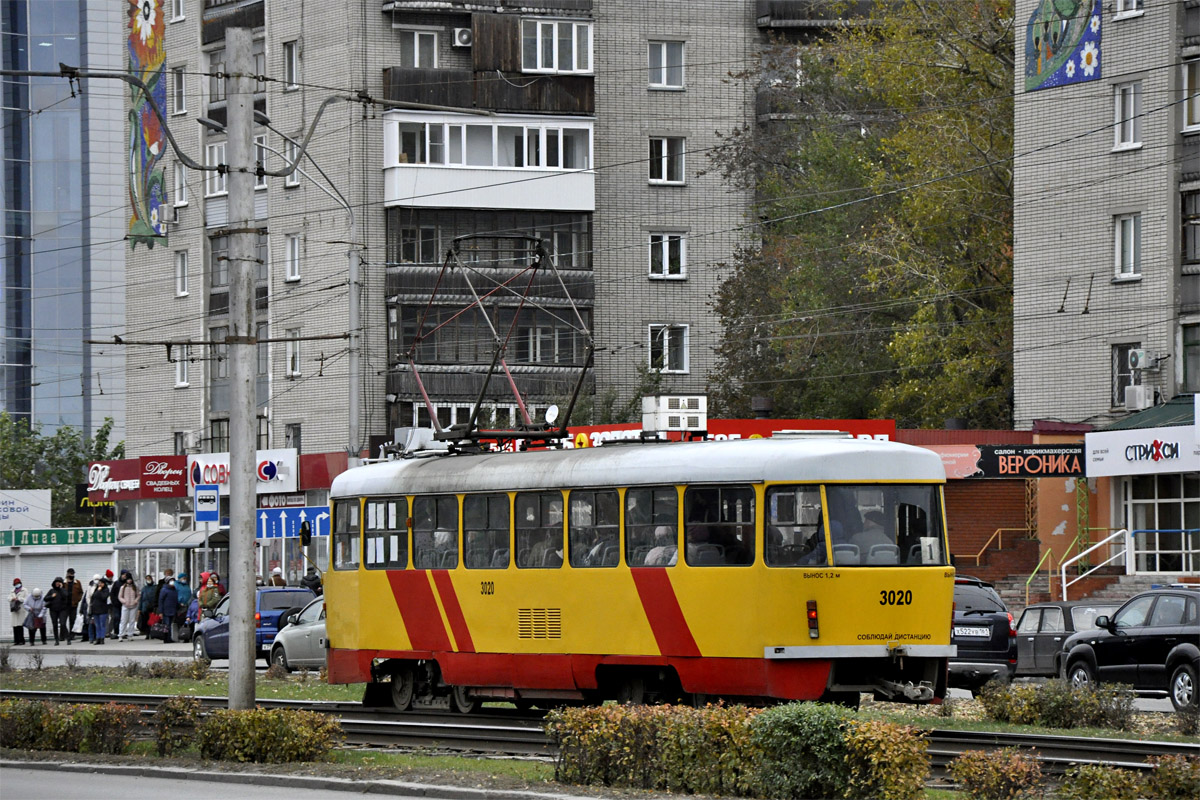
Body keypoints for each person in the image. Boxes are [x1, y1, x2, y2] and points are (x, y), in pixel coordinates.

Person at [44, 578, 70, 645]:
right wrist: (51, 596)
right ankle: (56, 640)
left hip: (62, 610)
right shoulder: (51, 591)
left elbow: (65, 596)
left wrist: (61, 589)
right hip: (53, 610)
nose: (57, 583)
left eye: (59, 582)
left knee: (63, 624)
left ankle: (68, 638)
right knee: (55, 625)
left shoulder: (63, 590)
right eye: (56, 582)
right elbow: (45, 598)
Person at [157, 576, 179, 643]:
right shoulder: (164, 590)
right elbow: (160, 600)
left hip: (173, 609)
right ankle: (166, 638)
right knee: (167, 625)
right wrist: (160, 612)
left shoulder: (174, 589)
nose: (172, 582)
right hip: (166, 610)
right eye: (171, 581)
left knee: (170, 625)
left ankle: (169, 638)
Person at [88, 576, 110, 644]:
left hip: (103, 610)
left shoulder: (106, 590)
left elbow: (104, 597)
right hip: (95, 609)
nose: (100, 584)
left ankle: (102, 638)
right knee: (97, 625)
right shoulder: (96, 589)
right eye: (99, 583)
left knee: (102, 624)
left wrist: (100, 591)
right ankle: (98, 638)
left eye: (101, 583)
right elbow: (93, 597)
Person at [117, 574, 140, 640]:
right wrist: (124, 601)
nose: (129, 581)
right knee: (123, 620)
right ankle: (121, 635)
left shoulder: (135, 587)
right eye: (128, 579)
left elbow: (138, 595)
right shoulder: (123, 587)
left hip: (133, 606)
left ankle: (130, 635)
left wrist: (135, 601)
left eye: (130, 579)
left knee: (132, 621)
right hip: (125, 606)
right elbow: (120, 596)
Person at [63, 569, 83, 643]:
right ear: (67, 574)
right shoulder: (63, 582)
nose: (71, 575)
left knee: (72, 620)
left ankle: (72, 635)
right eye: (70, 574)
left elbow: (81, 592)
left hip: (73, 605)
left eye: (73, 574)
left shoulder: (77, 582)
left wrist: (78, 600)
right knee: (63, 621)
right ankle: (65, 635)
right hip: (64, 606)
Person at [138, 574, 158, 638]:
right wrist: (139, 608)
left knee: (152, 620)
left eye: (149, 578)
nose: (148, 580)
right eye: (147, 579)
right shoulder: (144, 588)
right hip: (145, 607)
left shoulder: (155, 587)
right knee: (146, 621)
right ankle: (147, 633)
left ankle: (152, 633)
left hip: (152, 606)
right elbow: (141, 599)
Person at [173, 573, 192, 642]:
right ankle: (180, 635)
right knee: (180, 620)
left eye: (185, 578)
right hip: (179, 606)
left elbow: (189, 594)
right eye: (183, 578)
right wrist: (179, 602)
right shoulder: (176, 585)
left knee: (186, 620)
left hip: (187, 605)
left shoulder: (186, 586)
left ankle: (185, 635)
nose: (184, 579)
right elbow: (175, 595)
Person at [8, 578, 28, 645]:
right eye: (15, 584)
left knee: (20, 625)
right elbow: (8, 598)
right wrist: (12, 598)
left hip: (21, 609)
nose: (17, 585)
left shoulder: (24, 590)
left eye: (18, 583)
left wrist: (19, 599)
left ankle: (21, 640)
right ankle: (16, 641)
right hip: (14, 609)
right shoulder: (12, 591)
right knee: (15, 625)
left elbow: (26, 599)